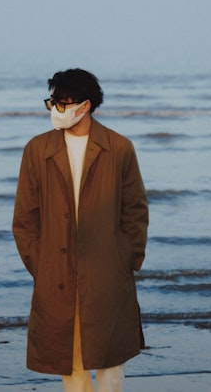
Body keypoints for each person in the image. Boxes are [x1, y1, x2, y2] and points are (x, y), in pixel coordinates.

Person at [13, 68, 149, 392]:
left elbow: (136, 211)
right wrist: (42, 264)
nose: (56, 110)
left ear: (85, 106)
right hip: (57, 272)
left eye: (62, 103)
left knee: (111, 359)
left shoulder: (119, 148)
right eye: (53, 103)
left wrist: (123, 259)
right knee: (68, 356)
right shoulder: (37, 150)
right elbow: (24, 219)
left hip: (106, 271)